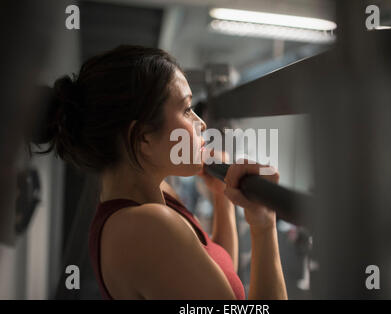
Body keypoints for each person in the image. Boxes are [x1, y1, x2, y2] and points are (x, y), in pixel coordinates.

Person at [31, 45, 287, 300]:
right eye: (187, 109)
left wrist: (221, 198)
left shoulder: (153, 194)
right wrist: (263, 225)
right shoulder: (147, 226)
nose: (201, 123)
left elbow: (218, 272)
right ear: (142, 138)